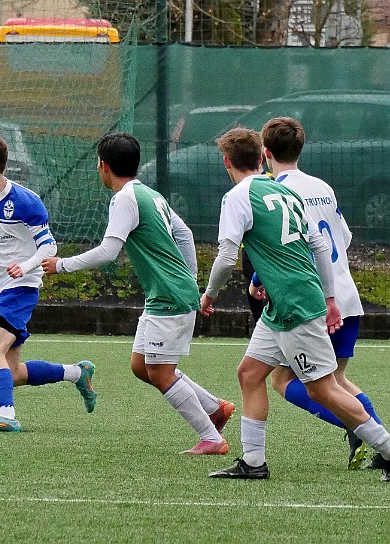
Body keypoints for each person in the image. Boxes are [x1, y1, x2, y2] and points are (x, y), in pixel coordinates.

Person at [201, 127, 390, 481]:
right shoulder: (282, 190)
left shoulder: (237, 197)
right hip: (286, 305)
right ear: (261, 158)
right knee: (250, 373)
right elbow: (319, 246)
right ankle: (253, 462)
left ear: (227, 162)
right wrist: (330, 297)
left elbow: (227, 256)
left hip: (293, 304)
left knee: (324, 388)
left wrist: (209, 294)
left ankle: (388, 449)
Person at [42, 132, 235, 455]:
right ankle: (216, 409)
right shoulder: (148, 194)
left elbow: (108, 251)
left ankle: (211, 438)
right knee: (141, 365)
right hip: (167, 293)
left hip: (169, 296)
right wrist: (190, 278)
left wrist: (61, 265)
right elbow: (184, 233)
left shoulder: (125, 199)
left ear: (103, 166)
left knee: (159, 372)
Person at [257, 116, 384, 470]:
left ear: (265, 153)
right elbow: (342, 238)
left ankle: (357, 427)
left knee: (284, 380)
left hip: (311, 302)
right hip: (346, 295)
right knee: (336, 380)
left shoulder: (275, 193)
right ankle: (380, 444)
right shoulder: (322, 186)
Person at [0, 129, 95, 432]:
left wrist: (26, 266)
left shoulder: (26, 201)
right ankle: (77, 373)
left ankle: (6, 415)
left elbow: (49, 247)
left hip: (22, 286)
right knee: (12, 372)